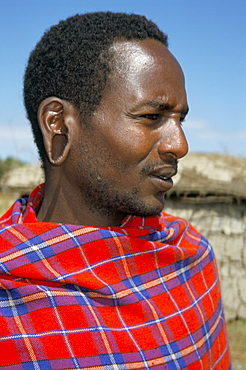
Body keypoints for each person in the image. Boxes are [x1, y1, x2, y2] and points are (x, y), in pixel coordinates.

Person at [0, 12, 231, 369]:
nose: (180, 144)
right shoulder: (9, 296)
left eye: (180, 120)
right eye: (152, 117)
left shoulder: (187, 256)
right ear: (58, 124)